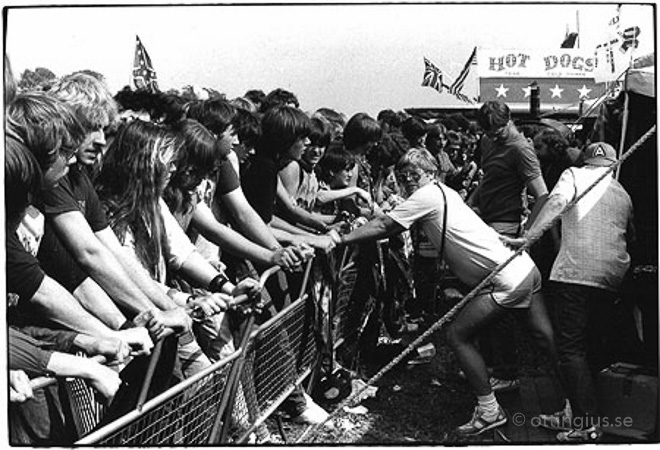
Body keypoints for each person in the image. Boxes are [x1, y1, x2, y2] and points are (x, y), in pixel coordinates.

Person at [334, 148, 558, 436]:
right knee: (546, 339)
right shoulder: (442, 191)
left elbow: (386, 225)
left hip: (505, 278)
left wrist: (341, 239)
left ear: (431, 174)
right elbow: (388, 216)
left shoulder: (425, 196)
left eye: (415, 174)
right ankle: (573, 404)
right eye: (403, 176)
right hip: (521, 266)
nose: (408, 180)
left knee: (458, 336)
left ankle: (489, 411)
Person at [504, 143, 635, 442]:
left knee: (570, 349)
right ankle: (580, 412)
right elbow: (632, 233)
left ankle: (587, 424)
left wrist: (528, 237)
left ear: (587, 161)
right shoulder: (622, 193)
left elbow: (555, 203)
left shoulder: (574, 174)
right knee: (593, 347)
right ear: (612, 165)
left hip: (576, 272)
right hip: (612, 274)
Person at [6, 93, 153, 351]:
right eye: (64, 151)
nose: (72, 159)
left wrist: (119, 329)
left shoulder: (37, 207)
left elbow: (72, 277)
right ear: (40, 154)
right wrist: (109, 335)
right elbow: (41, 291)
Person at [468, 100, 550, 391]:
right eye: (488, 131)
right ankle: (491, 361)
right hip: (486, 221)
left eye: (498, 130)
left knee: (497, 298)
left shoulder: (521, 149)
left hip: (505, 225)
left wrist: (527, 233)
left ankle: (506, 369)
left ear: (509, 121)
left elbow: (542, 194)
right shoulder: (488, 141)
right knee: (482, 293)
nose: (493, 135)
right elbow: (487, 177)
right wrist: (472, 203)